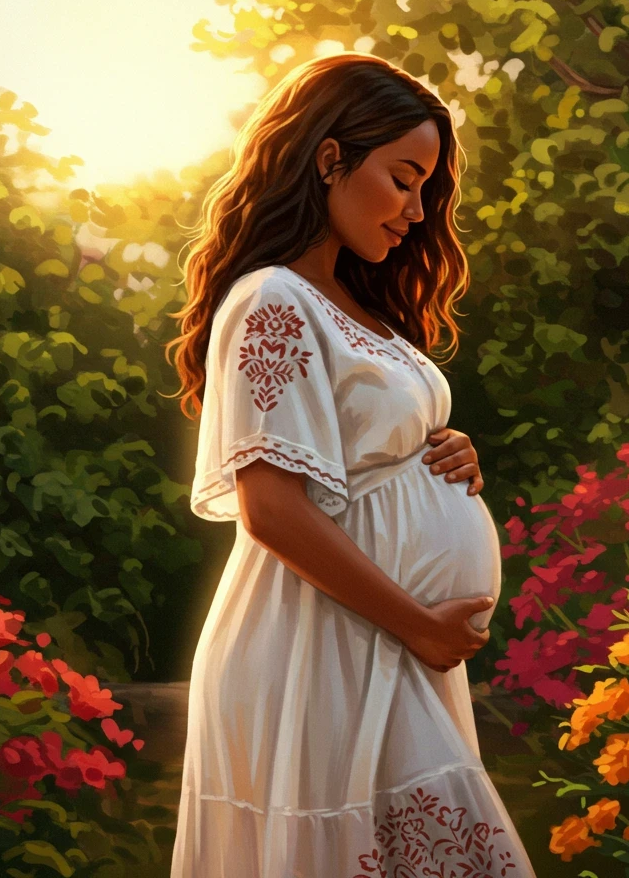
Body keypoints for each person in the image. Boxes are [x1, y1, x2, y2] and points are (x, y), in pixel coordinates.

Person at [165, 52, 538, 876]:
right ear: (330, 158)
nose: (415, 211)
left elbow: (363, 449)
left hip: (384, 643)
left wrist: (443, 450)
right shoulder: (272, 299)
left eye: (425, 189)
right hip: (321, 644)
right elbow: (271, 507)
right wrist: (420, 626)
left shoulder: (353, 306)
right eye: (402, 179)